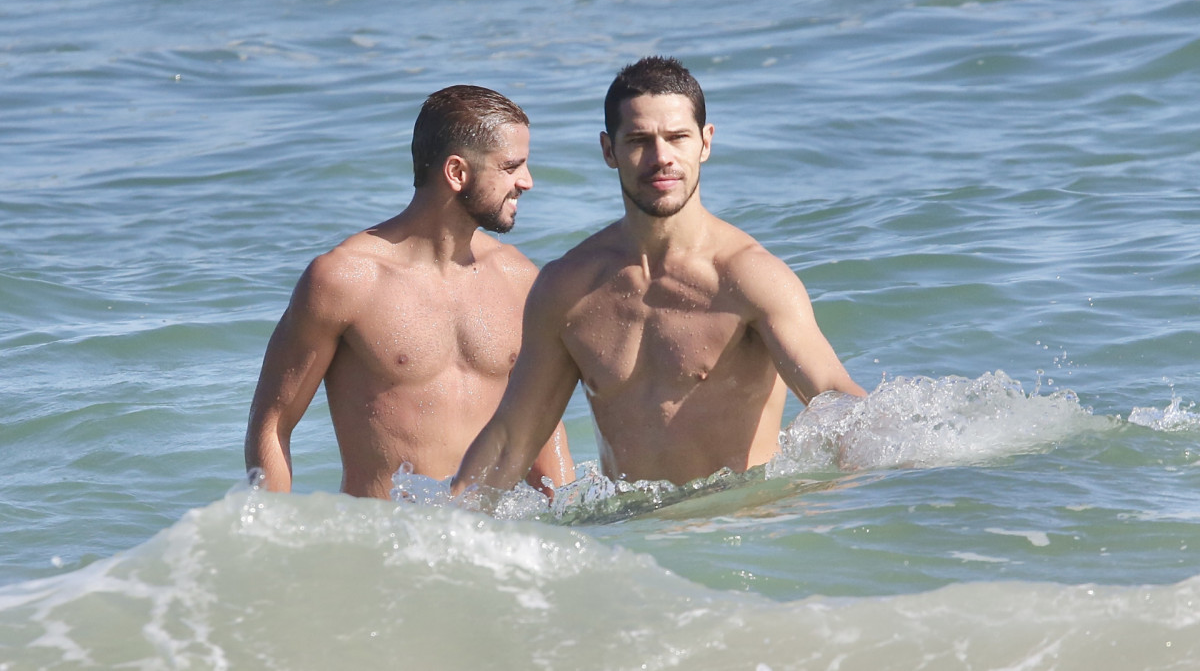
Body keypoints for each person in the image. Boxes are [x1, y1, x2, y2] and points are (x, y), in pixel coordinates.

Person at [452, 57, 865, 495]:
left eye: (677, 137)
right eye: (639, 140)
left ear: (705, 142)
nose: (661, 157)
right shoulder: (567, 289)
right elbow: (511, 440)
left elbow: (835, 398)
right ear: (609, 150)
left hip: (740, 534)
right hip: (630, 541)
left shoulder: (749, 279)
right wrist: (441, 528)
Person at [246, 85, 574, 499]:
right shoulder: (345, 280)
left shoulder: (519, 278)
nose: (527, 181)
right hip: (385, 545)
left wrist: (572, 527)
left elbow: (542, 425)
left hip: (490, 544)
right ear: (457, 172)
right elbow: (272, 424)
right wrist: (269, 542)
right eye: (511, 166)